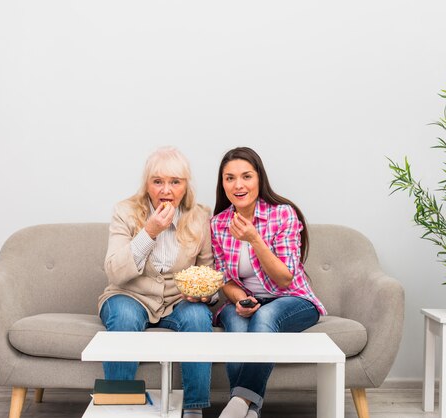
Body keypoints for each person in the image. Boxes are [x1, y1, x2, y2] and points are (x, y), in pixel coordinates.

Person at [99, 146, 216, 417]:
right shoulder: (124, 212)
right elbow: (114, 272)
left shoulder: (199, 217)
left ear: (185, 186)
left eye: (175, 182)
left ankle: (194, 409)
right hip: (130, 295)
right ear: (147, 185)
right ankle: (119, 407)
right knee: (125, 317)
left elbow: (207, 272)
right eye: (158, 181)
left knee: (199, 317)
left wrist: (204, 296)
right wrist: (149, 232)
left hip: (178, 301)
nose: (166, 190)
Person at [211, 147, 327, 418]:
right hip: (247, 300)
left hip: (293, 299)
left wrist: (254, 239)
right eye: (230, 178)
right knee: (237, 330)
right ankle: (251, 411)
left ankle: (238, 403)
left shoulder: (283, 214)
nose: (238, 185)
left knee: (265, 317)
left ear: (259, 179)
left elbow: (285, 277)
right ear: (223, 184)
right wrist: (240, 299)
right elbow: (224, 279)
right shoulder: (218, 224)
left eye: (246, 176)